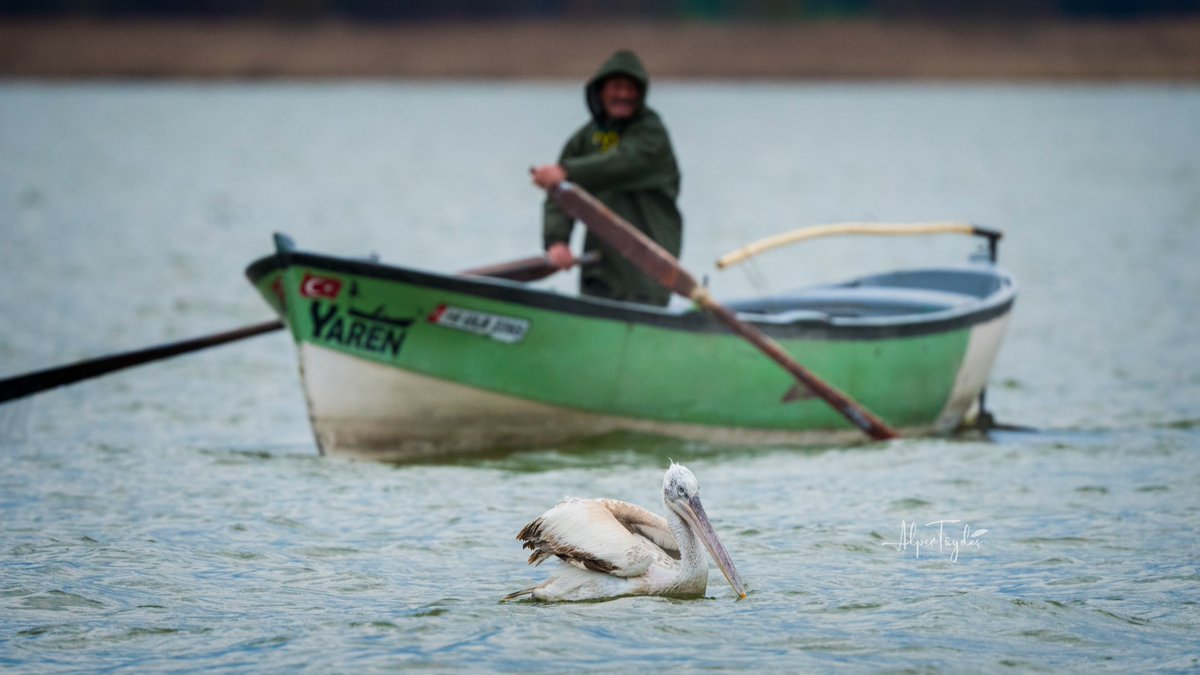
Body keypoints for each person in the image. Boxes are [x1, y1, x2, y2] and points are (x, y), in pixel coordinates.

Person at [531, 49, 682, 307]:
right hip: (599, 268)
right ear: (600, 91)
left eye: (630, 88)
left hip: (646, 270)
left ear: (641, 93)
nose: (623, 95)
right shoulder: (585, 138)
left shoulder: (651, 135)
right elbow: (560, 196)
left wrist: (568, 171)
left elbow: (620, 163)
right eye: (616, 87)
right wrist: (557, 242)